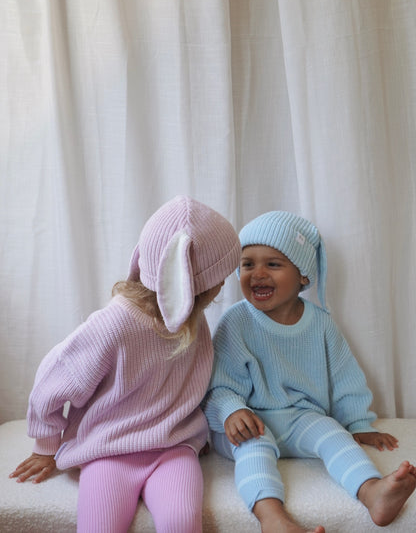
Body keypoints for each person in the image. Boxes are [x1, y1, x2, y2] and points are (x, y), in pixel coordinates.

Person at [10, 195, 241, 533]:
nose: (223, 282)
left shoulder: (193, 320)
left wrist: (199, 429)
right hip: (108, 449)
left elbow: (193, 383)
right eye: (220, 275)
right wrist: (45, 445)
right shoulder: (114, 325)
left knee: (181, 522)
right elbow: (54, 377)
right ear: (189, 281)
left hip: (173, 448)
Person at [203, 210, 416, 533]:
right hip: (247, 422)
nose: (257, 274)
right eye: (247, 264)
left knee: (332, 432)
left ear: (303, 275)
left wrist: (358, 423)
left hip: (300, 418)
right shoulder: (236, 321)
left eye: (273, 264)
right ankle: (273, 519)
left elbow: (345, 378)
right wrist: (231, 411)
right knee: (254, 448)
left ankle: (372, 491)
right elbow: (218, 384)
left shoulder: (320, 323)